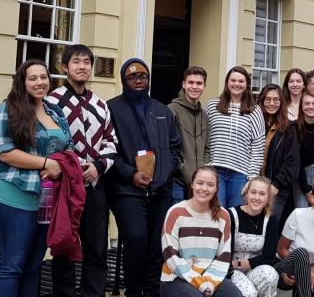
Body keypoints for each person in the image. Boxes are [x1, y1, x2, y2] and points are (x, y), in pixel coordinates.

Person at [0, 59, 73, 296]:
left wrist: (62, 165)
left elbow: (68, 147)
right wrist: (46, 163)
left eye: (43, 77)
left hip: (46, 200)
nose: (39, 82)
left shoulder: (55, 110)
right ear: (22, 82)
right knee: (11, 266)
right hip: (11, 194)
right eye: (32, 78)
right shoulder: (7, 109)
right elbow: (4, 151)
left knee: (34, 267)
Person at [106, 58, 183, 297]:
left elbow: (175, 147)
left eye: (142, 76)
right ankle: (133, 290)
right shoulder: (111, 109)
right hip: (126, 190)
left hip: (160, 190)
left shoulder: (162, 110)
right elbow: (108, 149)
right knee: (136, 240)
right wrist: (130, 175)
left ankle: (151, 291)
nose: (138, 81)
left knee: (156, 245)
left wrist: (164, 173)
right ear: (123, 81)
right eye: (132, 77)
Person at [46, 45, 117, 297]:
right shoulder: (52, 102)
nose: (82, 66)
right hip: (65, 186)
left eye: (86, 62)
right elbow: (50, 142)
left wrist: (98, 167)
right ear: (65, 67)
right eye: (76, 62)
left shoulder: (100, 104)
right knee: (64, 246)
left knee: (97, 248)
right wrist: (75, 166)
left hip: (95, 186)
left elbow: (111, 142)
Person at [160, 166, 242, 297]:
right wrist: (200, 283)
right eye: (199, 183)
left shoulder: (223, 216)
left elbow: (223, 256)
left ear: (216, 189)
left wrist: (209, 283)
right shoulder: (176, 212)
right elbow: (171, 256)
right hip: (176, 277)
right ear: (192, 184)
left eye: (210, 185)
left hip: (211, 277)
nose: (204, 188)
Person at [206, 66, 266, 208]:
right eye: (233, 80)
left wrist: (251, 177)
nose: (236, 84)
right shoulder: (212, 106)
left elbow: (258, 145)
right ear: (227, 82)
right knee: (216, 214)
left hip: (240, 174)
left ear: (246, 85)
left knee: (235, 215)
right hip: (215, 170)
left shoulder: (254, 110)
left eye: (241, 81)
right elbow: (204, 139)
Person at [228, 177, 280, 297]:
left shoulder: (271, 220)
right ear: (246, 194)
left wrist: (239, 264)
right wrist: (234, 265)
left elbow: (268, 257)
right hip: (232, 270)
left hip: (254, 268)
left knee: (270, 275)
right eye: (253, 192)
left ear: (268, 198)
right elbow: (226, 255)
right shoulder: (231, 215)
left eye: (262, 194)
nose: (256, 197)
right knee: (249, 293)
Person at [168, 66, 210, 204]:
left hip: (199, 185)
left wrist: (202, 170)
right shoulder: (171, 110)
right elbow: (168, 146)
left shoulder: (204, 115)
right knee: (177, 222)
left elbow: (207, 148)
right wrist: (182, 168)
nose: (195, 87)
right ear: (183, 84)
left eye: (199, 83)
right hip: (177, 182)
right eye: (191, 82)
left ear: (204, 86)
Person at [259, 84, 299, 223]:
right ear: (262, 101)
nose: (271, 103)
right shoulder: (255, 123)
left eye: (276, 100)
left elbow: (292, 162)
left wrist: (276, 184)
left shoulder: (289, 128)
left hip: (277, 187)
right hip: (254, 184)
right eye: (267, 99)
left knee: (271, 222)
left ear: (281, 102)